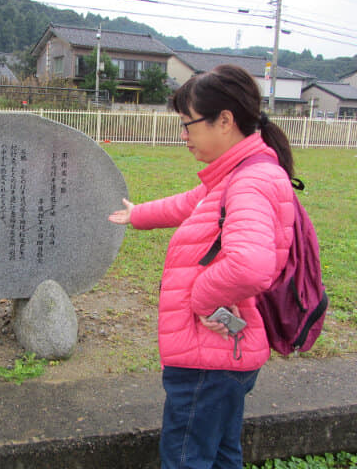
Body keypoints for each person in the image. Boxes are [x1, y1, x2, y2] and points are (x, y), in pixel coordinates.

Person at [108, 64, 295, 468]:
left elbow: (250, 265)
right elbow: (193, 202)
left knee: (187, 457)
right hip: (226, 355)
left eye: (188, 124)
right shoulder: (239, 174)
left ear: (224, 121)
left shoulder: (248, 182)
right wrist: (139, 214)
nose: (184, 136)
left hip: (206, 359)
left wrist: (202, 299)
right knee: (224, 451)